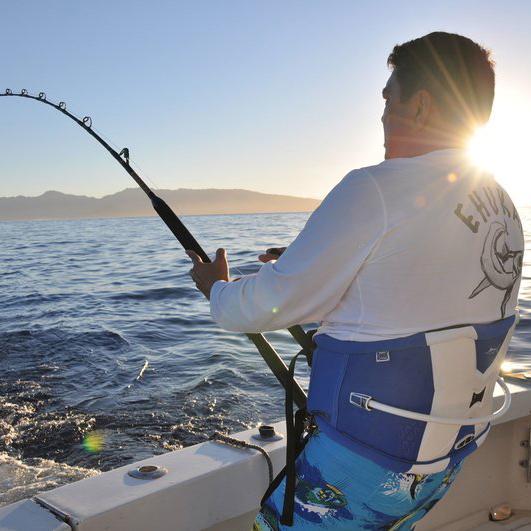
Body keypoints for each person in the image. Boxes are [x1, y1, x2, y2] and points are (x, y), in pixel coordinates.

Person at [187, 32, 524, 530]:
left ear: (422, 105)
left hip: (368, 459)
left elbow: (262, 307)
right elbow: (420, 290)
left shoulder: (374, 188)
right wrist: (324, 263)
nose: (383, 113)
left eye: (389, 98)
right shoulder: (504, 206)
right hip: (446, 455)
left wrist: (216, 287)